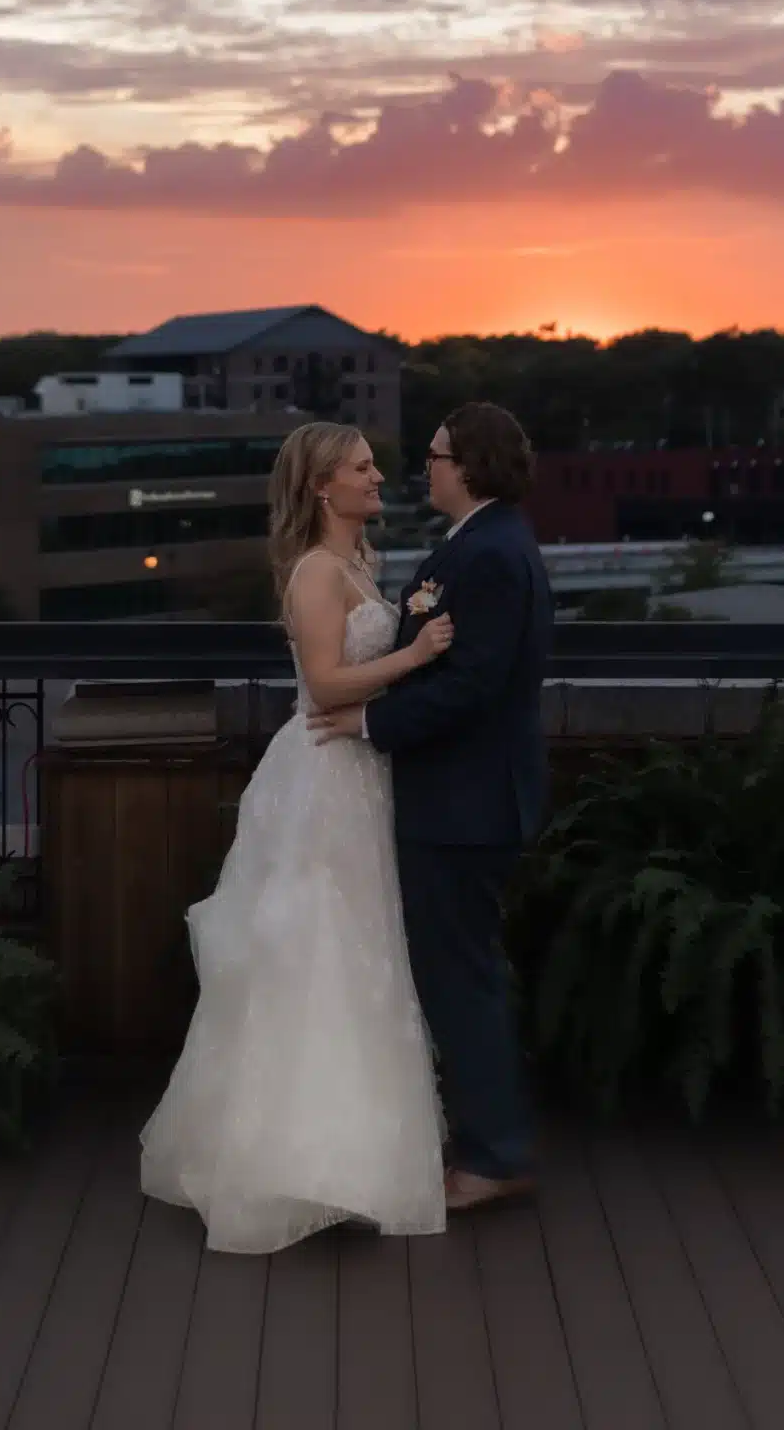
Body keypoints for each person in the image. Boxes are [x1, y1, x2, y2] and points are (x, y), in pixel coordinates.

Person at [139, 420, 453, 1254]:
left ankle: (349, 1156)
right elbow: (322, 685)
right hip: (322, 778)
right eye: (361, 467)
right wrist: (415, 654)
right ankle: (294, 1159)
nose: (378, 476)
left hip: (358, 771)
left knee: (361, 953)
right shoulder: (317, 571)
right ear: (322, 486)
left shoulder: (358, 565)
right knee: (316, 953)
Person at [308, 399, 552, 1210]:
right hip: (460, 801)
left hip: (464, 804)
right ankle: (484, 1140)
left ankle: (492, 1156)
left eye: (440, 455)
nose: (426, 467)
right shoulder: (480, 544)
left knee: (461, 979)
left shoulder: (487, 554)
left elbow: (474, 685)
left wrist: (370, 720)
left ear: (473, 465)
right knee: (460, 974)